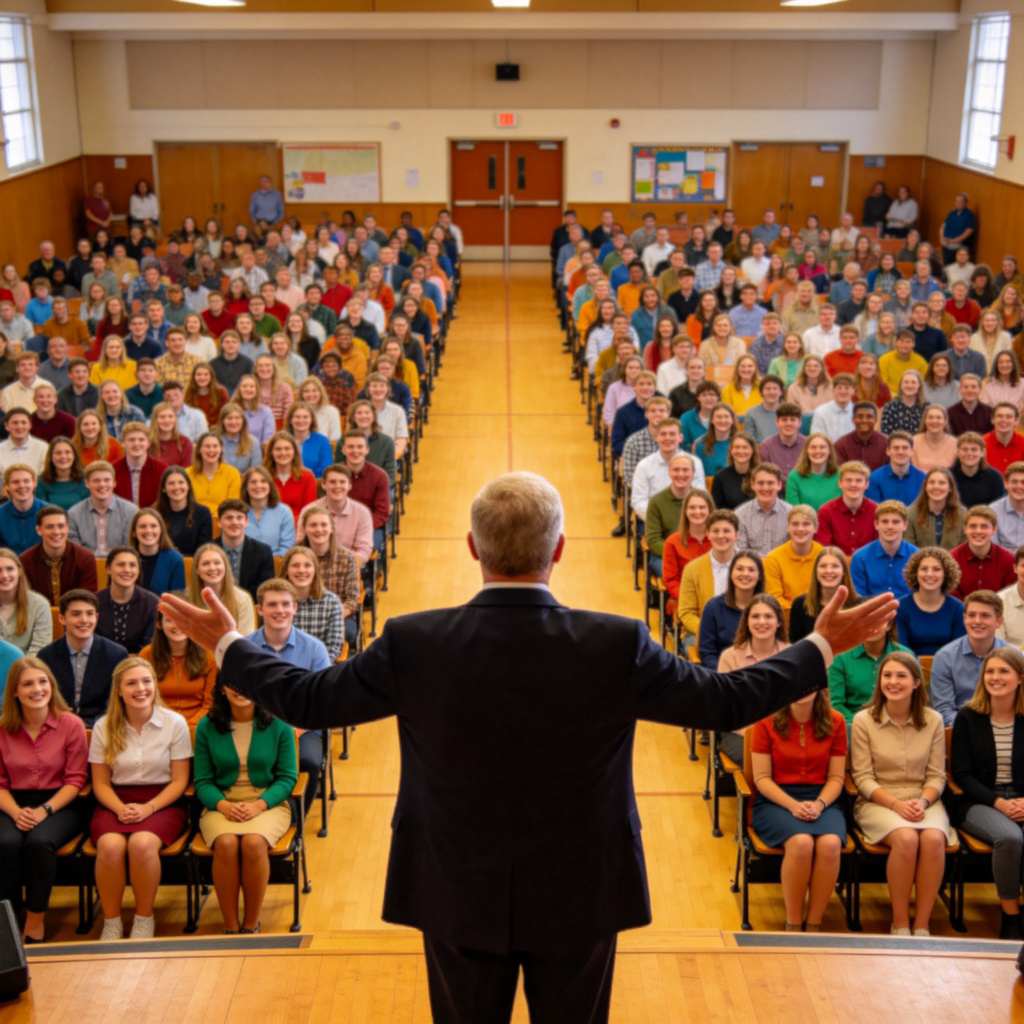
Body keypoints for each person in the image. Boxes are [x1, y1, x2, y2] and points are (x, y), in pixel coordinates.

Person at [158, 471, 900, 1020]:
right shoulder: (616, 644)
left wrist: (225, 640)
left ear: (472, 546)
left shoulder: (414, 641)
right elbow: (724, 703)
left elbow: (309, 699)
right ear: (562, 549)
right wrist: (816, 648)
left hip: (454, 890)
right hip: (581, 891)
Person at [88, 656, 192, 941]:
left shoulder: (175, 723)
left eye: (146, 681)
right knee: (109, 846)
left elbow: (180, 780)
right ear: (118, 690)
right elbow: (100, 783)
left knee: (142, 844)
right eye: (131, 683)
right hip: (115, 800)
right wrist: (122, 809)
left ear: (155, 686)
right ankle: (111, 921)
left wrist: (148, 808)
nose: (140, 689)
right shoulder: (103, 726)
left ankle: (144, 918)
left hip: (163, 800)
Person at [851, 651, 952, 936]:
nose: (893, 682)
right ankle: (900, 923)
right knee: (906, 839)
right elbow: (863, 778)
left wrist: (922, 801)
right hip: (879, 800)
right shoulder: (863, 720)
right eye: (887, 675)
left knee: (933, 839)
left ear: (917, 683)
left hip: (923, 798)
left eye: (901, 676)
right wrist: (896, 805)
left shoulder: (933, 720)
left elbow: (936, 775)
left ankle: (922, 924)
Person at [193, 679, 297, 934]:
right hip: (222, 802)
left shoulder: (279, 724)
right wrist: (223, 805)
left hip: (267, 802)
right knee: (226, 843)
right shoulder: (207, 725)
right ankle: (230, 926)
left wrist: (260, 805)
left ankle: (251, 924)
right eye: (233, 683)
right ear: (222, 689)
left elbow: (287, 777)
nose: (240, 689)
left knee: (253, 842)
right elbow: (203, 781)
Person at [0, 657, 88, 943]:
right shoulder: (3, 728)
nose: (37, 689)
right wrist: (16, 812)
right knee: (6, 844)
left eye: (42, 682)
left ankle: (36, 916)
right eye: (27, 684)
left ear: (51, 685)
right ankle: (8, 922)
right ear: (14, 691)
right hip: (12, 802)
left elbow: (75, 780)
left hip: (60, 802)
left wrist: (44, 810)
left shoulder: (71, 724)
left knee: (39, 843)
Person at [749, 687, 847, 931]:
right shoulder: (766, 720)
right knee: (801, 842)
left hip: (822, 798)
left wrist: (820, 804)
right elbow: (762, 778)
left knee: (830, 844)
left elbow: (836, 778)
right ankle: (793, 923)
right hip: (776, 800)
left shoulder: (836, 721)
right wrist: (793, 806)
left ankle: (814, 923)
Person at [949, 646, 1024, 939]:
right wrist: (999, 803)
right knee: (1009, 837)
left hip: (1020, 798)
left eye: (1003, 671)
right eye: (990, 671)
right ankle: (1011, 916)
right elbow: (962, 776)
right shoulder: (969, 716)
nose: (995, 677)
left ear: (1020, 677)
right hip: (978, 801)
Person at [37, 589, 128, 728]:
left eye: (89, 614)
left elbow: (116, 702)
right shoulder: (46, 656)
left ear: (96, 617)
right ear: (62, 618)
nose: (84, 620)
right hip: (58, 727)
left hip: (103, 727)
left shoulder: (116, 654)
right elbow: (45, 701)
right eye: (76, 614)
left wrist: (94, 727)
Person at [717, 594, 789, 762]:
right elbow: (726, 708)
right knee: (764, 760)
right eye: (755, 616)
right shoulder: (730, 657)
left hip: (784, 733)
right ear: (747, 622)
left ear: (779, 622)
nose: (761, 622)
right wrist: (758, 732)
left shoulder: (792, 656)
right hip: (741, 734)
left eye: (768, 616)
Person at [930, 590, 1008, 725]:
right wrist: (975, 731)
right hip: (961, 733)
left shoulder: (1014, 658)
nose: (977, 621)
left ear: (999, 621)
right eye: (971, 615)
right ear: (964, 619)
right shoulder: (944, 658)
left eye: (985, 616)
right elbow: (944, 710)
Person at [140, 599, 218, 727]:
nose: (176, 625)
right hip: (157, 726)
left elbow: (210, 704)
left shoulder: (209, 656)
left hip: (196, 728)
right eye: (169, 619)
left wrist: (189, 727)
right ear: (159, 624)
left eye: (182, 619)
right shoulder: (146, 655)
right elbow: (145, 700)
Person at [697, 550, 765, 672]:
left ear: (759, 576)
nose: (745, 574)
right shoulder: (713, 608)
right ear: (731, 574)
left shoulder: (768, 608)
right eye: (740, 569)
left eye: (751, 570)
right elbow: (707, 653)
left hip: (760, 676)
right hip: (724, 677)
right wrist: (727, 675)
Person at [296, 463, 373, 566]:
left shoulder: (362, 513)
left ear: (349, 486)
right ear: (324, 484)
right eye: (332, 482)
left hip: (347, 566)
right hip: (313, 566)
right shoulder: (308, 510)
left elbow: (364, 551)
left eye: (342, 482)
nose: (337, 486)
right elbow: (301, 544)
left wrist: (339, 565)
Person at [20, 504, 98, 603]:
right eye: (49, 527)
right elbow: (25, 600)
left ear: (67, 528)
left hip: (76, 616)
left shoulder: (85, 558)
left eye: (61, 526)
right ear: (39, 530)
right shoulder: (25, 561)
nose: (56, 532)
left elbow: (88, 600)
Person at [282, 544, 348, 660]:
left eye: (307, 565)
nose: (301, 570)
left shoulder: (332, 602)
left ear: (315, 571)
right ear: (286, 570)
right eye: (295, 566)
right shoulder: (277, 602)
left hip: (320, 671)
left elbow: (333, 649)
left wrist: (313, 672)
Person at [95, 546, 159, 655]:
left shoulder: (152, 603)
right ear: (108, 569)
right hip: (101, 664)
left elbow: (150, 647)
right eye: (121, 565)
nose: (127, 570)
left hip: (141, 665)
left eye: (132, 565)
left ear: (138, 570)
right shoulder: (94, 602)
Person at [790, 547, 858, 644]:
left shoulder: (858, 604)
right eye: (823, 566)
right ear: (816, 572)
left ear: (844, 572)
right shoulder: (800, 605)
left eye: (835, 566)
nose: (829, 571)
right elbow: (795, 647)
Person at [850, 500, 916, 598]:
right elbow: (858, 597)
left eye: (896, 522)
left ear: (905, 525)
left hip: (907, 612)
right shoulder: (860, 558)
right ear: (876, 524)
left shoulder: (916, 557)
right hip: (872, 611)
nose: (890, 527)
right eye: (885, 521)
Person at [213, 500, 275, 604]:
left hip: (251, 607)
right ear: (219, 522)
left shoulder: (263, 552)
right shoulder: (206, 550)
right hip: (215, 605)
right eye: (229, 518)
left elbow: (265, 590)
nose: (234, 522)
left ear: (246, 522)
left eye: (239, 517)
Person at [188, 542, 255, 636]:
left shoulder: (243, 599)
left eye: (217, 563)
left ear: (226, 567)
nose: (212, 568)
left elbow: (245, 641)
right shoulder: (186, 598)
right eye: (205, 564)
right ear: (196, 570)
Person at [950, 505, 1015, 600]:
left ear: (994, 530)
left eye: (984, 526)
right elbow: (951, 596)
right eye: (973, 526)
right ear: (965, 529)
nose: (978, 531)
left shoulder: (1009, 560)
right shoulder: (951, 559)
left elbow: (1009, 595)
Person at [154, 466, 212, 557]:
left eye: (181, 482)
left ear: (188, 486)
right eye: (171, 483)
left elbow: (204, 550)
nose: (176, 487)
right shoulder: (154, 514)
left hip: (194, 567)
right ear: (163, 488)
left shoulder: (203, 513)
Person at [264, 430, 318, 524]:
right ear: (271, 453)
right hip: (268, 526)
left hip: (299, 527)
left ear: (294, 452)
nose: (283, 453)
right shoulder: (263, 476)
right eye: (278, 449)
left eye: (287, 448)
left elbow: (309, 512)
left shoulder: (307, 476)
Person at [906, 467, 966, 550]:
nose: (936, 486)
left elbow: (964, 549)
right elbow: (908, 549)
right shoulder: (910, 514)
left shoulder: (963, 515)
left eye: (942, 483)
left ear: (950, 488)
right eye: (931, 482)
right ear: (925, 486)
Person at [129, 508, 186, 594]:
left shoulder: (175, 560)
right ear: (134, 532)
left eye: (153, 526)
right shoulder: (124, 558)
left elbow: (178, 598)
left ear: (161, 530)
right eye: (142, 526)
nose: (148, 530)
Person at [186, 432, 242, 517]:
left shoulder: (233, 474)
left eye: (215, 446)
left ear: (221, 449)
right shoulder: (187, 473)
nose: (211, 450)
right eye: (207, 446)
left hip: (223, 521)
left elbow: (233, 506)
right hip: (193, 520)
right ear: (199, 450)